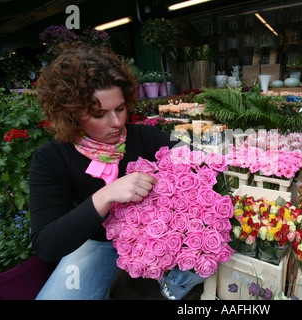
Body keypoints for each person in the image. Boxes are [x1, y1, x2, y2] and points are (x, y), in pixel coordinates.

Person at [30, 45, 202, 300]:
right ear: (72, 115)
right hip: (97, 244)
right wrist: (105, 196)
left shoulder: (145, 137)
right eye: (99, 114)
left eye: (120, 108)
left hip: (155, 241)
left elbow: (199, 164)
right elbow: (47, 245)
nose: (118, 122)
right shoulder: (51, 158)